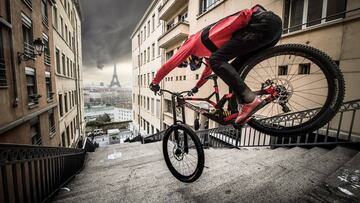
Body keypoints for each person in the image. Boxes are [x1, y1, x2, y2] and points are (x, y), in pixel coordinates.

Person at [149, 5, 283, 124]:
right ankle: (243, 107)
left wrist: (155, 83)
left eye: (187, 62)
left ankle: (249, 101)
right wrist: (196, 87)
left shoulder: (191, 43)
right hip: (272, 30)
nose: (192, 63)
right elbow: (206, 73)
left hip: (262, 23)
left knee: (215, 60)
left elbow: (169, 65)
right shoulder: (208, 50)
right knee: (233, 69)